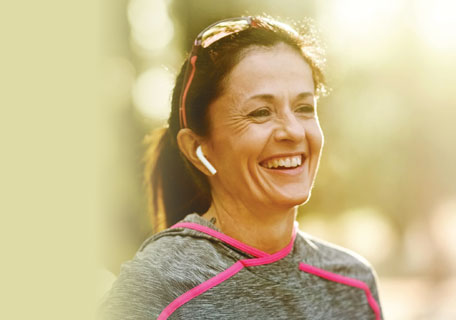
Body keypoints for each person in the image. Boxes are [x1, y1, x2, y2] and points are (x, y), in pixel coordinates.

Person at [99, 15, 383, 320]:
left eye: (304, 108)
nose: (294, 132)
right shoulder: (157, 288)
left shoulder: (353, 285)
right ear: (197, 148)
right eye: (261, 112)